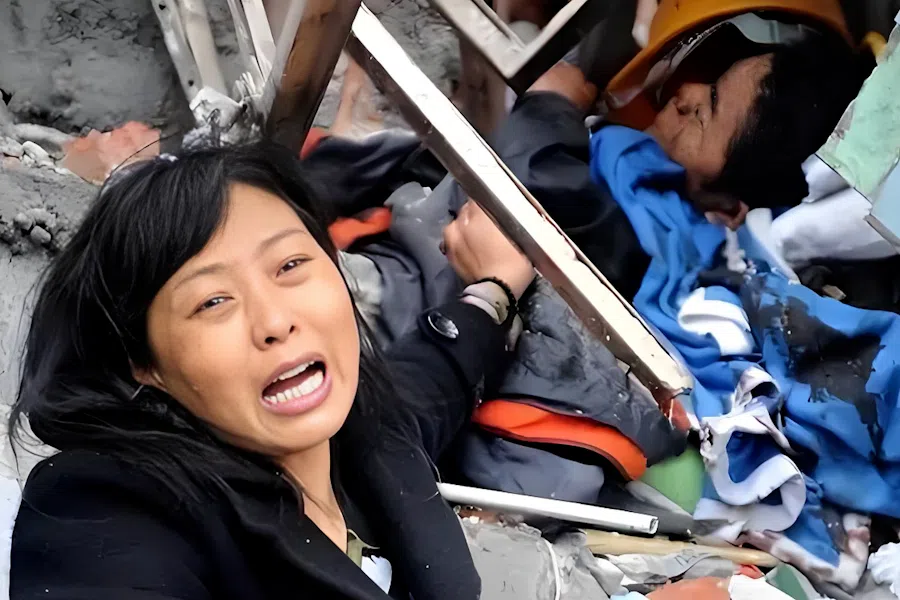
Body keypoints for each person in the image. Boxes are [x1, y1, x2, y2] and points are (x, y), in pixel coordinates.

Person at [9, 142, 535, 600]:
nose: (276, 322)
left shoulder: (364, 436)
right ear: (145, 364)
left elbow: (431, 376)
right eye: (213, 301)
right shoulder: (105, 510)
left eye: (289, 265)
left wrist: (494, 289)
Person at [492, 10, 863, 298]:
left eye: (704, 115)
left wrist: (553, 102)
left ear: (726, 209)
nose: (686, 93)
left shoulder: (651, 250)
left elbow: (535, 190)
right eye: (713, 83)